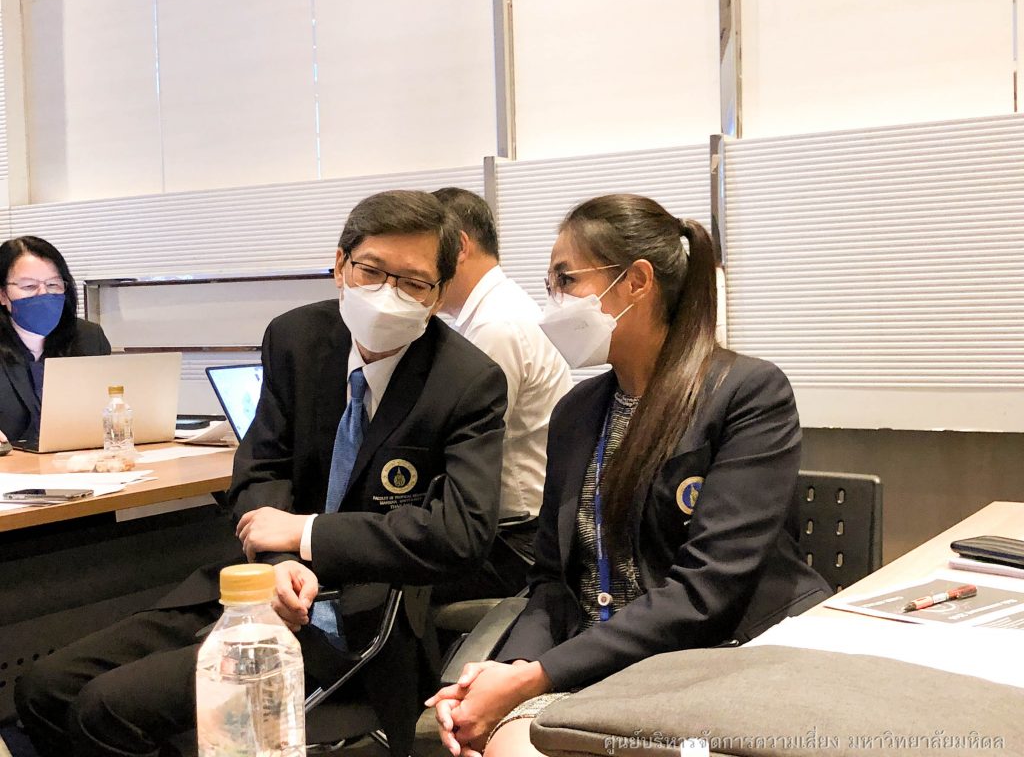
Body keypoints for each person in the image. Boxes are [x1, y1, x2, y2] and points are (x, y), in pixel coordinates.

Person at [15, 190, 509, 757]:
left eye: (412, 282)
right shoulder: (298, 339)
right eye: (371, 271)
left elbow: (461, 533)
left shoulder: (466, 380)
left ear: (439, 294)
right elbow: (259, 470)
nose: (386, 295)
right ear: (340, 266)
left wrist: (307, 534)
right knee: (45, 688)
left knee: (108, 708)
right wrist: (276, 562)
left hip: (359, 619)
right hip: (256, 587)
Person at [427, 194, 832, 757]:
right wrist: (507, 672)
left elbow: (705, 593)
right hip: (592, 665)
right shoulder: (577, 412)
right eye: (550, 284)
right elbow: (550, 583)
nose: (553, 303)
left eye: (567, 280)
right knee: (498, 742)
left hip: (714, 659)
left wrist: (534, 677)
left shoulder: (746, 394)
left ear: (637, 282)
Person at [431, 187, 572, 599]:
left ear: (459, 247)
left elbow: (453, 439)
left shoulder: (495, 327)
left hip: (514, 543)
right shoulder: (493, 312)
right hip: (517, 529)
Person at [0, 235, 111, 444]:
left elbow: (112, 407)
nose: (43, 294)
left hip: (79, 458)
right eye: (29, 286)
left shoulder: (88, 337)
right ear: (3, 295)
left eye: (53, 284)